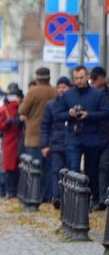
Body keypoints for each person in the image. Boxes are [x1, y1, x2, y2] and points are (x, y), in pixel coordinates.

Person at [56, 65, 109, 209]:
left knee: (91, 170)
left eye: (81, 77)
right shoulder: (68, 95)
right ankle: (74, 202)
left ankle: (93, 198)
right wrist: (69, 114)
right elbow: (58, 115)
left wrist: (89, 115)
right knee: (73, 169)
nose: (78, 81)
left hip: (92, 138)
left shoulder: (97, 94)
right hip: (73, 137)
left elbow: (105, 112)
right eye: (76, 78)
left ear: (87, 77)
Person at [18, 67, 57, 201]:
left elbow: (22, 110)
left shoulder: (33, 92)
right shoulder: (54, 91)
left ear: (37, 77)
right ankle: (47, 197)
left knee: (34, 169)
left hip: (34, 136)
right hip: (51, 137)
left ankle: (34, 196)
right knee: (48, 170)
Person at [40, 76, 70, 209]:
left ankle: (68, 197)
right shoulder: (51, 105)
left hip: (71, 142)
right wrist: (44, 144)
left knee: (71, 171)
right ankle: (56, 196)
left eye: (64, 87)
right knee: (56, 170)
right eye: (59, 87)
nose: (61, 90)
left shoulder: (73, 102)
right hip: (56, 142)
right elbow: (45, 125)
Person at [0, 85, 24, 198]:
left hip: (15, 141)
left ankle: (11, 190)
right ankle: (11, 190)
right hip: (10, 141)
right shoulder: (6, 110)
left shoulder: (20, 109)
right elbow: (0, 125)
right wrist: (6, 123)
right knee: (10, 168)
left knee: (13, 168)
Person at [90, 66, 109, 210]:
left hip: (106, 137)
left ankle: (102, 199)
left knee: (103, 167)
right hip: (93, 136)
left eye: (96, 79)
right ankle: (95, 198)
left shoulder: (106, 94)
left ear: (103, 78)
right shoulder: (92, 94)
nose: (94, 81)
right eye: (92, 79)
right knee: (93, 169)